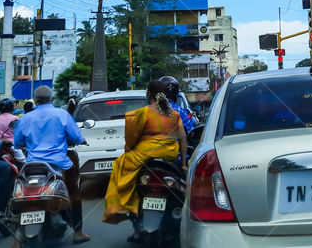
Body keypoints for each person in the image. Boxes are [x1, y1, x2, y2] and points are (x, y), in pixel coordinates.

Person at [103, 81, 187, 231]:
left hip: (145, 153)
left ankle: (121, 207)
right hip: (169, 155)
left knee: (119, 164)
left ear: (149, 94)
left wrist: (128, 151)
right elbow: (183, 139)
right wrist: (183, 165)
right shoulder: (174, 114)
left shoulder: (142, 113)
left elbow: (131, 140)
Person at [14, 85, 91, 244]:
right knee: (74, 193)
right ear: (51, 99)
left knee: (21, 194)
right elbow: (76, 137)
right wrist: (81, 140)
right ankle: (78, 232)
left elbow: (17, 142)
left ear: (35, 100)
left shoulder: (25, 118)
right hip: (59, 163)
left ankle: (17, 234)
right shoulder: (61, 114)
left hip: (32, 166)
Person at [0, 98, 25, 164]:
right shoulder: (15, 118)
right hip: (11, 146)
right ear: (12, 108)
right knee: (23, 162)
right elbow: (21, 134)